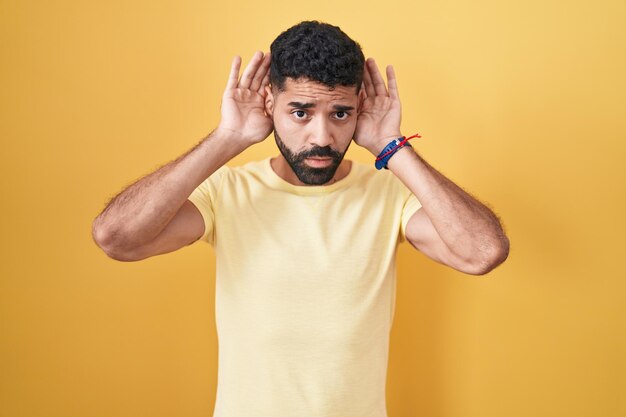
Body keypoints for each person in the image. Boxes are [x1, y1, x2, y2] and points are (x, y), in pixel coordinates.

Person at [92, 20, 509, 417]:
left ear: (361, 108)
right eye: (300, 113)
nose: (322, 137)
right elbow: (117, 238)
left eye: (340, 114)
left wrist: (391, 145)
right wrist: (227, 138)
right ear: (270, 103)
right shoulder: (227, 192)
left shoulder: (389, 194)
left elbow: (482, 252)